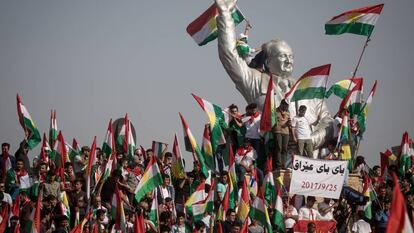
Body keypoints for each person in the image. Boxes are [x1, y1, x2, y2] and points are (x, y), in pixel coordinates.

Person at [215, 0, 334, 150]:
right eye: (282, 56)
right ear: (269, 60)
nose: (288, 60)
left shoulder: (308, 87)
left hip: (308, 160)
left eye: (291, 56)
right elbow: (229, 57)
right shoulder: (254, 81)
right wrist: (225, 15)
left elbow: (328, 121)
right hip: (272, 157)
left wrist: (309, 139)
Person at [274, 100, 291, 169]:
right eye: (285, 105)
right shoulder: (275, 111)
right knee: (279, 148)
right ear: (281, 104)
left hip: (286, 132)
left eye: (287, 106)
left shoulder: (288, 112)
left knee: (285, 149)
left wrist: (289, 123)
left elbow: (289, 121)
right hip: (278, 131)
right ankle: (278, 165)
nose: (286, 107)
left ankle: (284, 164)